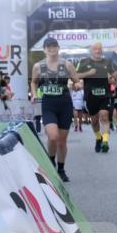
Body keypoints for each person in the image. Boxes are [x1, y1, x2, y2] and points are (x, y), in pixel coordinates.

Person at [30, 37, 81, 182]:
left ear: (58, 48)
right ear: (44, 49)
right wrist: (34, 94)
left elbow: (76, 81)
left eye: (54, 46)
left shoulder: (67, 65)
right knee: (52, 136)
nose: (52, 49)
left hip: (64, 103)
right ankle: (51, 163)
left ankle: (61, 169)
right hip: (48, 104)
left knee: (62, 141)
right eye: (48, 47)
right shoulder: (38, 66)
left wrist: (77, 85)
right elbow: (34, 82)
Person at [76, 42, 117, 153]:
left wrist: (113, 77)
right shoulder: (84, 62)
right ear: (91, 51)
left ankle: (105, 141)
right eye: (95, 49)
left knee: (104, 117)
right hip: (90, 96)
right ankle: (98, 138)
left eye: (100, 49)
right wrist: (89, 73)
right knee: (94, 121)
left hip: (104, 94)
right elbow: (76, 76)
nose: (98, 51)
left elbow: (114, 74)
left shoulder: (107, 62)